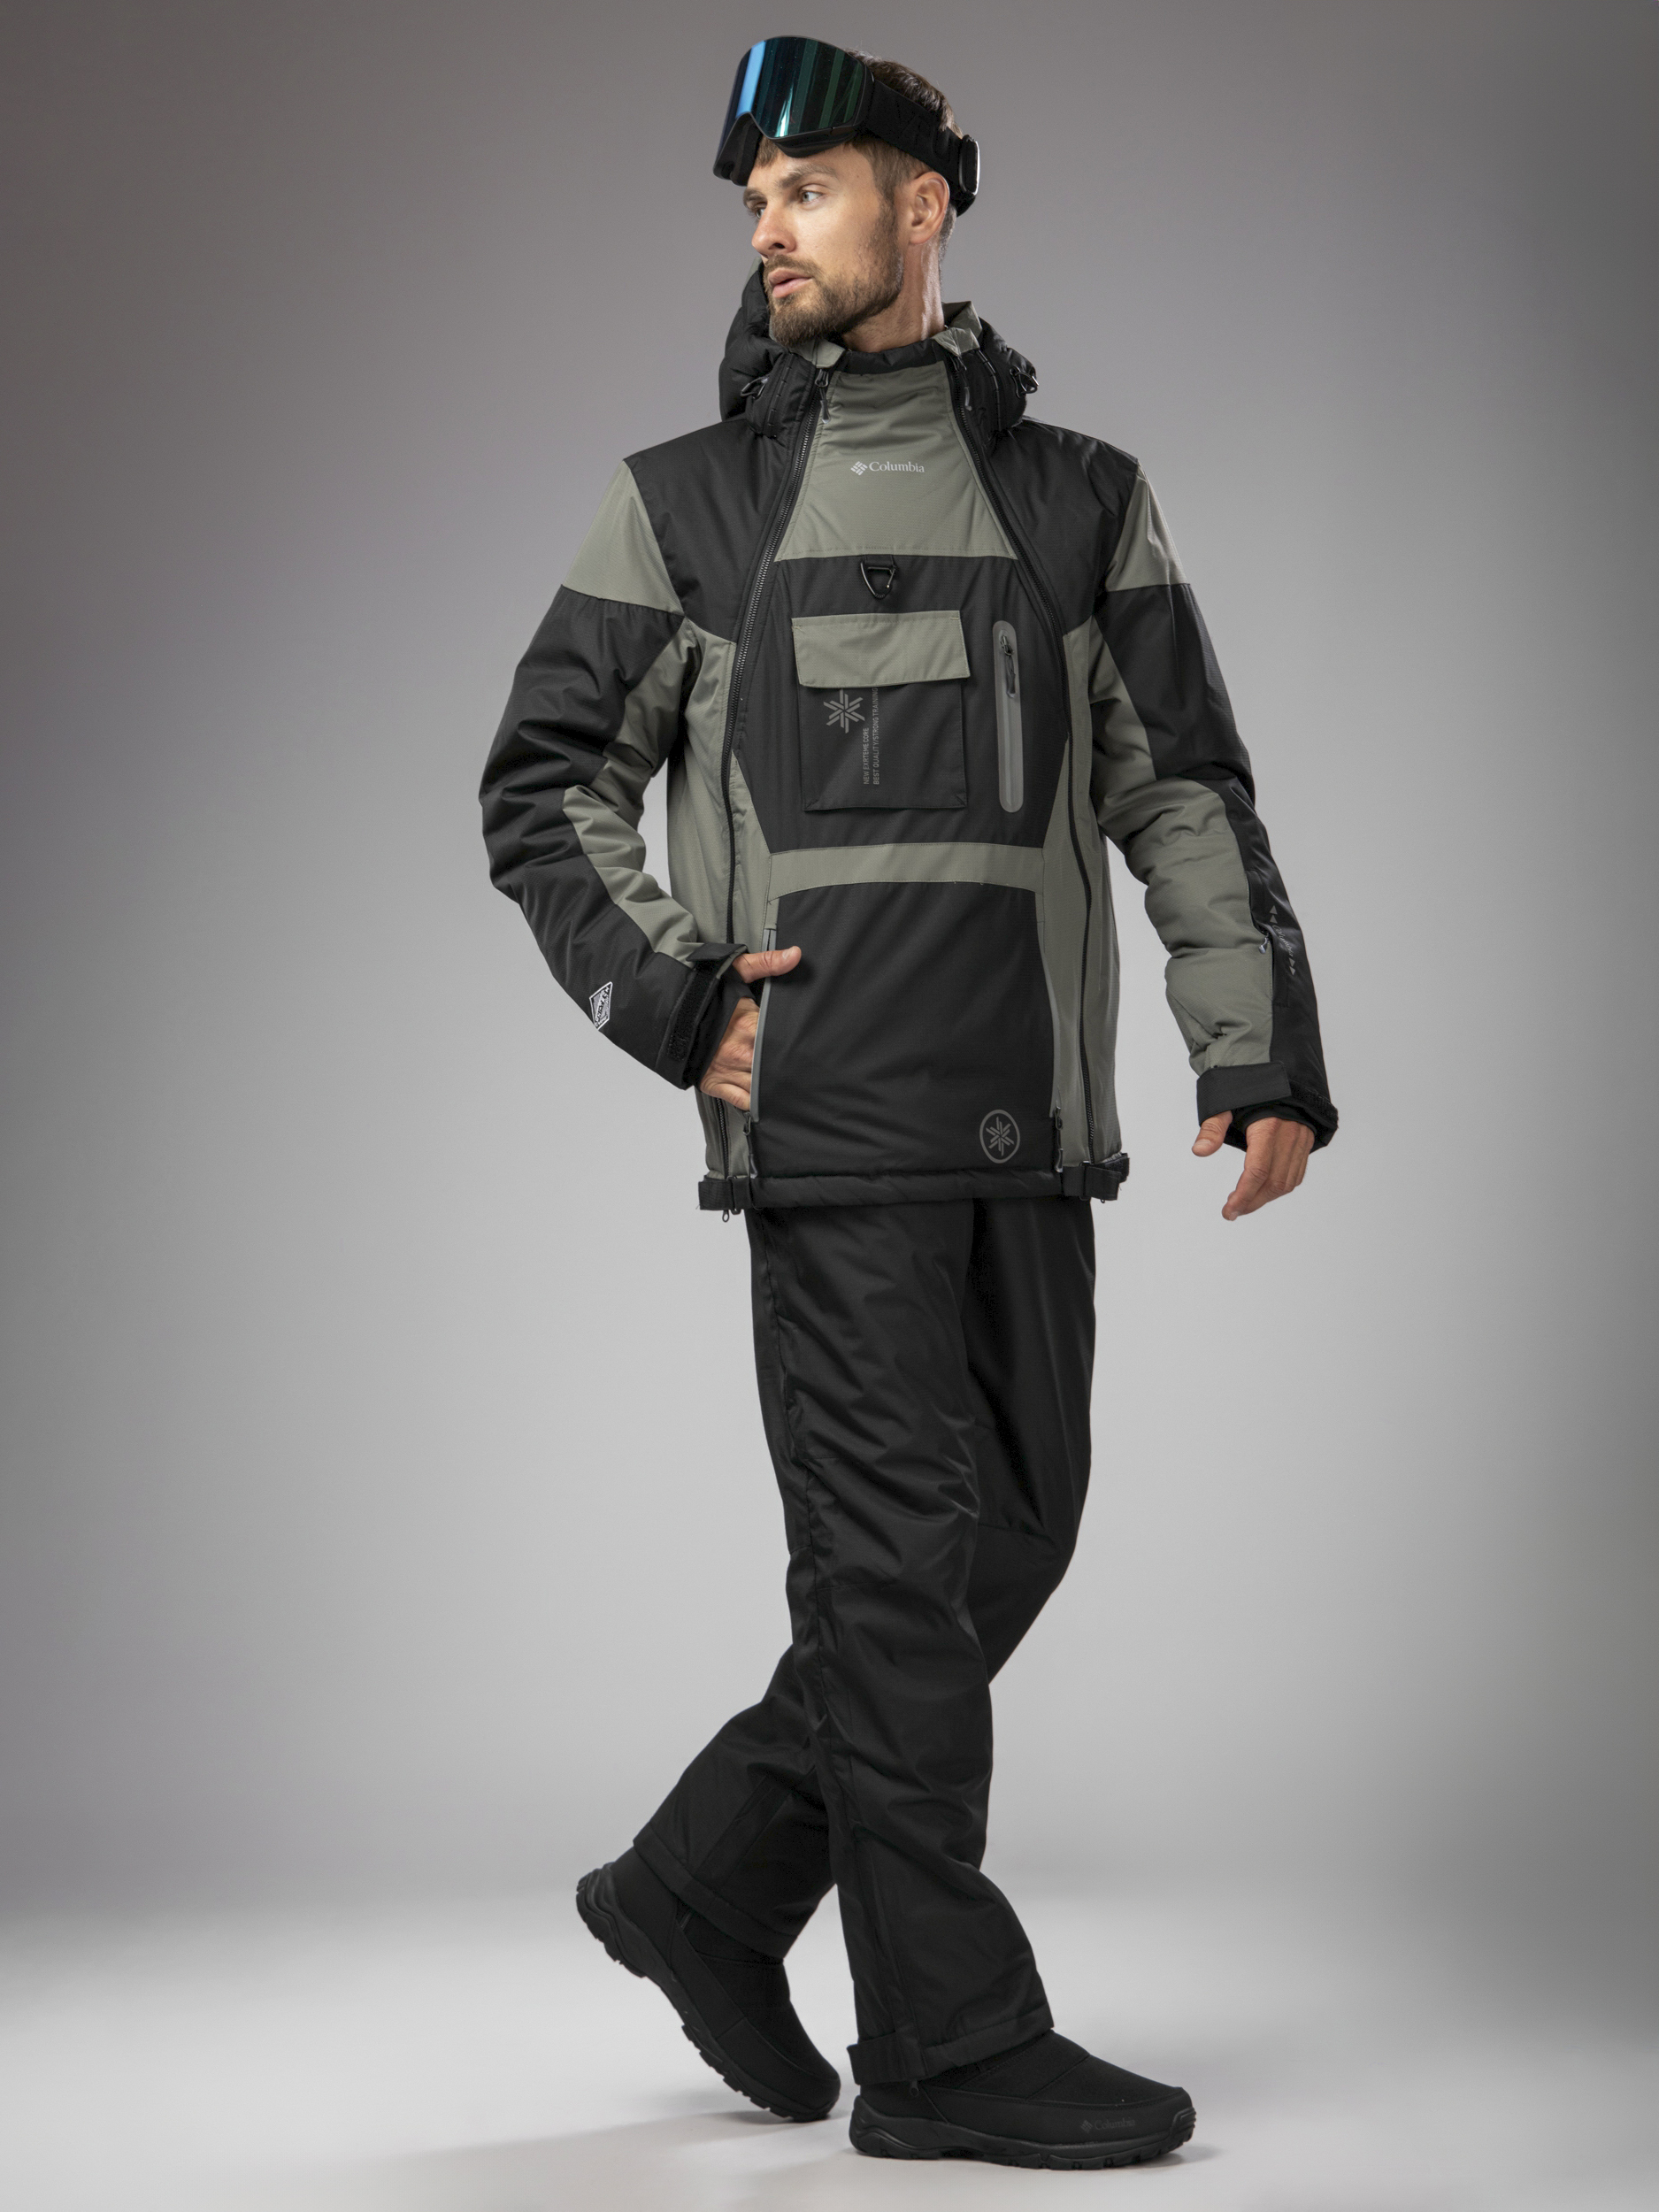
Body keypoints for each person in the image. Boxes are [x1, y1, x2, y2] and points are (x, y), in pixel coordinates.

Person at [480, 37, 1336, 2171]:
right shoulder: (688, 503)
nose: (769, 230)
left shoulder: (1079, 499)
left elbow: (1178, 785)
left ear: (921, 206)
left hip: (1024, 1127)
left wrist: (1251, 1045)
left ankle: (699, 1880)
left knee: (1002, 1539)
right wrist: (674, 1000)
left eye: (808, 188)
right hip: (827, 1134)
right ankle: (946, 2041)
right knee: (887, 1582)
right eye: (751, 202)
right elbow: (543, 785)